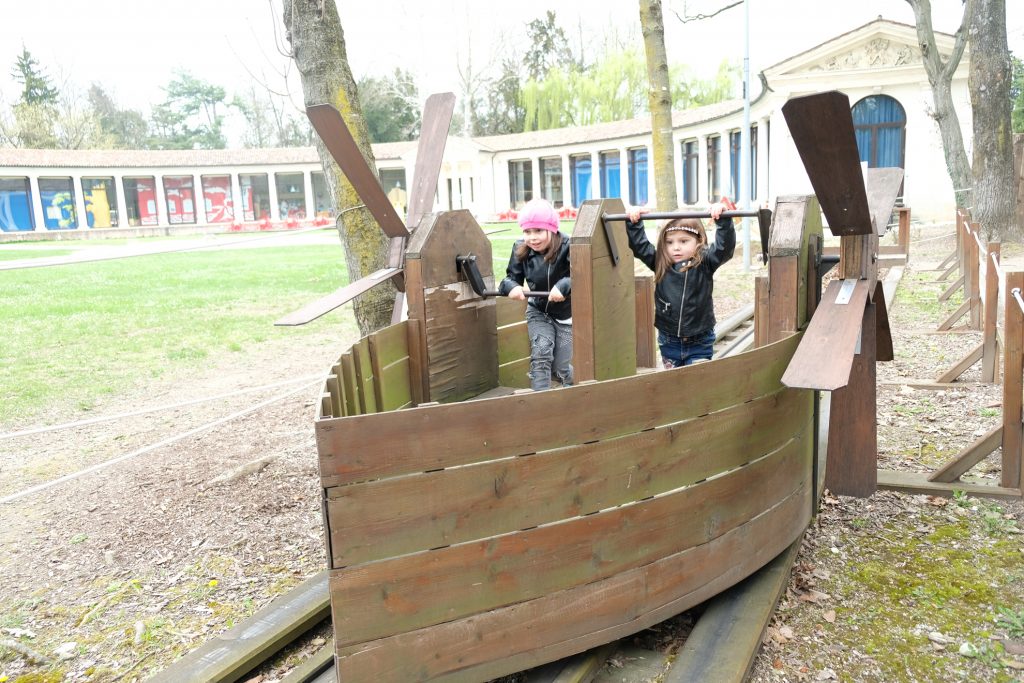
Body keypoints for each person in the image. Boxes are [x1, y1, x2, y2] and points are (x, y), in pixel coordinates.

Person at [625, 197, 736, 368]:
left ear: (699, 241)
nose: (676, 247)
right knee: (673, 382)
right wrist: (634, 222)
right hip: (669, 340)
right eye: (669, 242)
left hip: (699, 339)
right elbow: (639, 246)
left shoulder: (705, 262)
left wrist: (723, 221)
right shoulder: (660, 262)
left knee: (697, 382)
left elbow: (724, 248)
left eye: (683, 241)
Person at [498, 198, 573, 390]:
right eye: (527, 231)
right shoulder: (521, 248)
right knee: (541, 353)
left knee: (561, 365)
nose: (532, 237)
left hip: (566, 314)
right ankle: (540, 401)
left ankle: (571, 388)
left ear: (552, 229)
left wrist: (562, 286)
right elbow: (508, 279)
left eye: (538, 231)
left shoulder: (567, 246)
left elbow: (578, 273)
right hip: (539, 311)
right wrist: (512, 287)